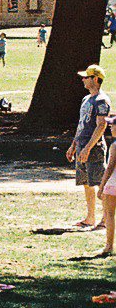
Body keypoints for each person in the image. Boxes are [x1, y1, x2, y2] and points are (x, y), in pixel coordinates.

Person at [65, 65, 112, 229]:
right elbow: (81, 125)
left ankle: (106, 219)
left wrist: (88, 148)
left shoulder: (102, 100)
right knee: (86, 183)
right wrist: (74, 145)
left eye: (87, 77)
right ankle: (90, 217)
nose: (83, 79)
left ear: (95, 79)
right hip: (82, 146)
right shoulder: (86, 100)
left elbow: (101, 126)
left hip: (95, 148)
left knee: (100, 183)